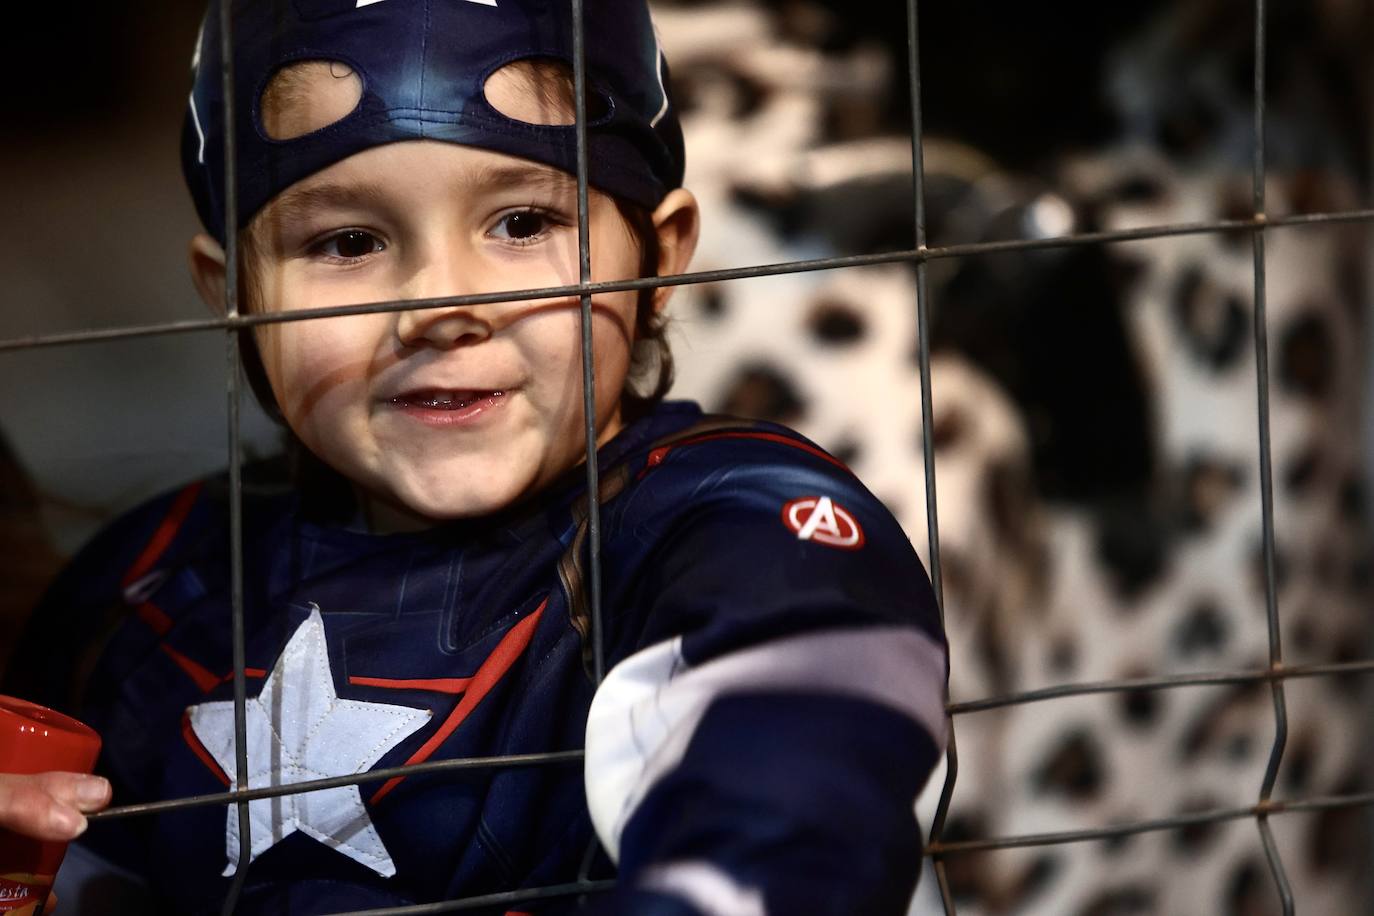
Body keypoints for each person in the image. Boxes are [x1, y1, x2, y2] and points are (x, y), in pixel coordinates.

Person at [3, 0, 948, 913]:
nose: (442, 305)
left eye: (523, 224)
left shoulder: (746, 539)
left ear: (658, 261)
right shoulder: (142, 592)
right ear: (233, 294)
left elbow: (789, 852)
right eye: (348, 241)